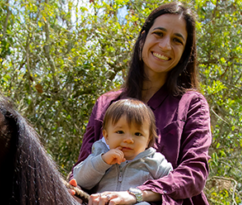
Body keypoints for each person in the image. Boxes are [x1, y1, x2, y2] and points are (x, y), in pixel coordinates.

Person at [69, 2, 211, 205]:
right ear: (143, 38)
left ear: (185, 52)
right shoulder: (106, 103)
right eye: (159, 34)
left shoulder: (192, 104)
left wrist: (137, 195)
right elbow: (83, 169)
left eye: (177, 40)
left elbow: (194, 173)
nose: (165, 45)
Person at [72, 99, 173, 205]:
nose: (128, 139)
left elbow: (171, 186)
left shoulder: (154, 160)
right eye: (120, 132)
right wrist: (102, 161)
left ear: (148, 139)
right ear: (106, 136)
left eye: (137, 134)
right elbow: (80, 180)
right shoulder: (99, 153)